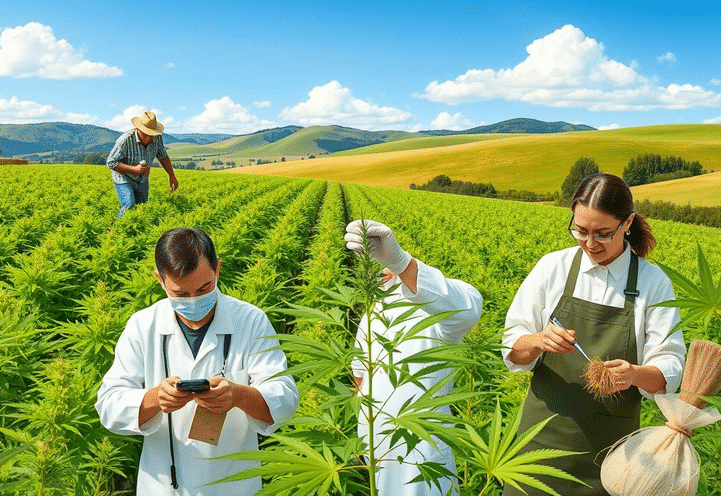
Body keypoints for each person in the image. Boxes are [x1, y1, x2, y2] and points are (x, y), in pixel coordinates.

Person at [500, 173, 686, 496]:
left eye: (602, 234)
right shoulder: (552, 268)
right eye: (580, 230)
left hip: (613, 462)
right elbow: (512, 349)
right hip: (539, 451)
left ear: (627, 222)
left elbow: (669, 371)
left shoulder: (653, 283)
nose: (589, 243)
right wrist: (538, 340)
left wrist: (634, 374)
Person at [96, 227, 299, 495]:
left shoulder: (250, 320)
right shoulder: (143, 325)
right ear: (160, 280)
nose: (194, 301)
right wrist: (155, 399)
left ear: (217, 269)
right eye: (180, 294)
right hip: (162, 486)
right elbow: (108, 405)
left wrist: (238, 395)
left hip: (233, 485)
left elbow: (284, 399)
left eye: (204, 288)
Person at [346, 219, 483, 496]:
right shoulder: (372, 313)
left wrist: (401, 263)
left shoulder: (439, 305)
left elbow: (468, 310)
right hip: (376, 445)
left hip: (421, 450)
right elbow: (359, 374)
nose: (382, 270)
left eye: (388, 261)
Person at [106, 110, 179, 217]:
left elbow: (163, 156)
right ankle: (118, 229)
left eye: (152, 135)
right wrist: (134, 170)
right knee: (129, 205)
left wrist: (172, 176)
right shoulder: (124, 140)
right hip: (123, 177)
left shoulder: (157, 138)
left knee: (142, 208)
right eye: (146, 134)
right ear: (138, 129)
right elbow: (111, 162)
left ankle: (137, 231)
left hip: (142, 179)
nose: (149, 138)